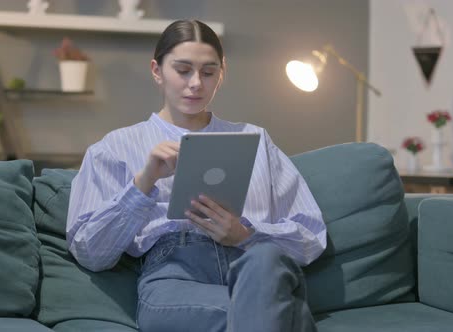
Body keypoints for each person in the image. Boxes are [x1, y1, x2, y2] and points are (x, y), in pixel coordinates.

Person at [66, 19, 327, 332]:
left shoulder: (256, 140)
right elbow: (90, 252)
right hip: (174, 275)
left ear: (222, 73)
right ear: (156, 71)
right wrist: (143, 182)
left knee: (266, 262)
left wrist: (246, 235)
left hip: (251, 269)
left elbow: (311, 236)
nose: (196, 84)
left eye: (208, 72)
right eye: (183, 69)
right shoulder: (114, 147)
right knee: (280, 316)